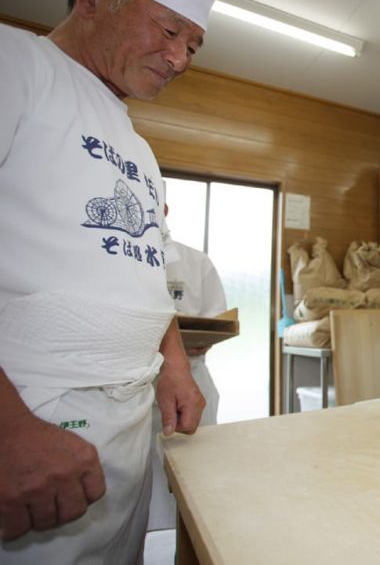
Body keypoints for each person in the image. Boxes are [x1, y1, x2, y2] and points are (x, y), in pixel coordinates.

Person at [0, 0, 218, 561]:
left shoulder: (140, 152)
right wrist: (7, 429)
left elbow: (143, 265)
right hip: (32, 419)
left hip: (125, 427)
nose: (178, 59)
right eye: (170, 30)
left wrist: (173, 363)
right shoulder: (16, 64)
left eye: (193, 46)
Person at [147, 202, 228, 532]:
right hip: (132, 386)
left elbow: (217, 322)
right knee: (140, 494)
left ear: (163, 209)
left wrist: (194, 344)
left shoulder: (196, 263)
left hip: (190, 380)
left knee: (192, 491)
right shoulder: (113, 262)